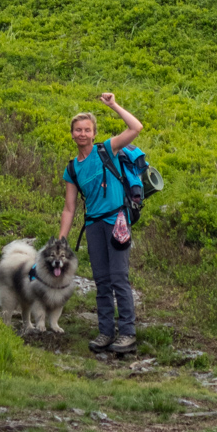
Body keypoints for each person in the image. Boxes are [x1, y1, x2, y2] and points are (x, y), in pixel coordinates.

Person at [60, 92, 143, 355]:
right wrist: (62, 238)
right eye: (78, 130)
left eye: (87, 130)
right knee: (102, 280)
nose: (82, 134)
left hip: (117, 219)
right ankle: (106, 332)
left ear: (94, 134)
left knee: (119, 277)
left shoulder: (107, 148)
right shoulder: (72, 168)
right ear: (72, 134)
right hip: (94, 225)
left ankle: (127, 334)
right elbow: (69, 207)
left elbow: (136, 128)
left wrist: (113, 105)